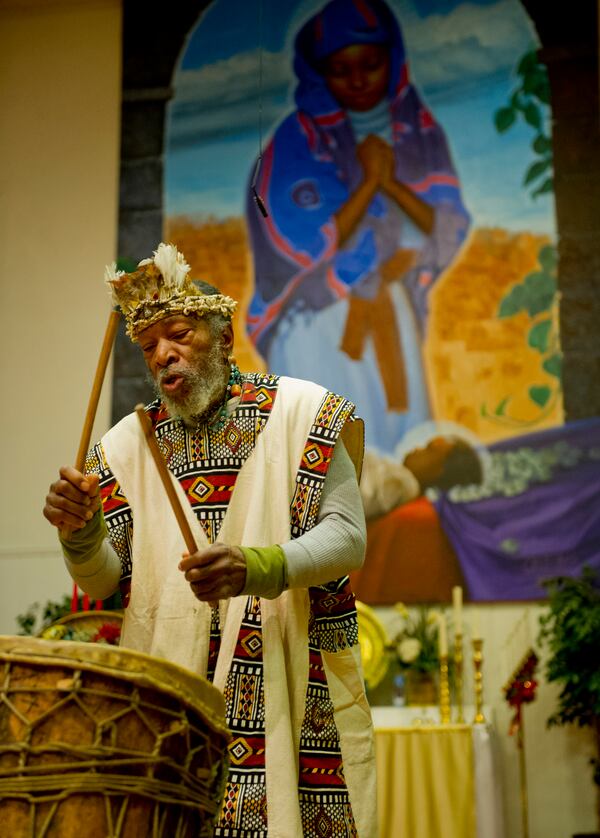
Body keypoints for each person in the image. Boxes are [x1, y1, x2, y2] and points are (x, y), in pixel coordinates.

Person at [43, 243, 376, 837]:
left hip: (292, 685)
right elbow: (101, 581)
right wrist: (80, 531)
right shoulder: (126, 446)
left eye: (179, 335)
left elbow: (348, 538)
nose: (163, 355)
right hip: (175, 705)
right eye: (149, 347)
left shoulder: (307, 413)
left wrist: (258, 566)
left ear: (223, 338)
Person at [246, 0, 470, 456]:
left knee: (401, 453)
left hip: (389, 312)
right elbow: (300, 241)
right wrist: (369, 184)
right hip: (320, 321)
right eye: (339, 69)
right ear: (317, 72)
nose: (358, 79)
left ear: (393, 58)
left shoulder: (418, 131)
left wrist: (390, 182)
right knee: (325, 462)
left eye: (370, 63)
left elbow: (444, 231)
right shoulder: (296, 140)